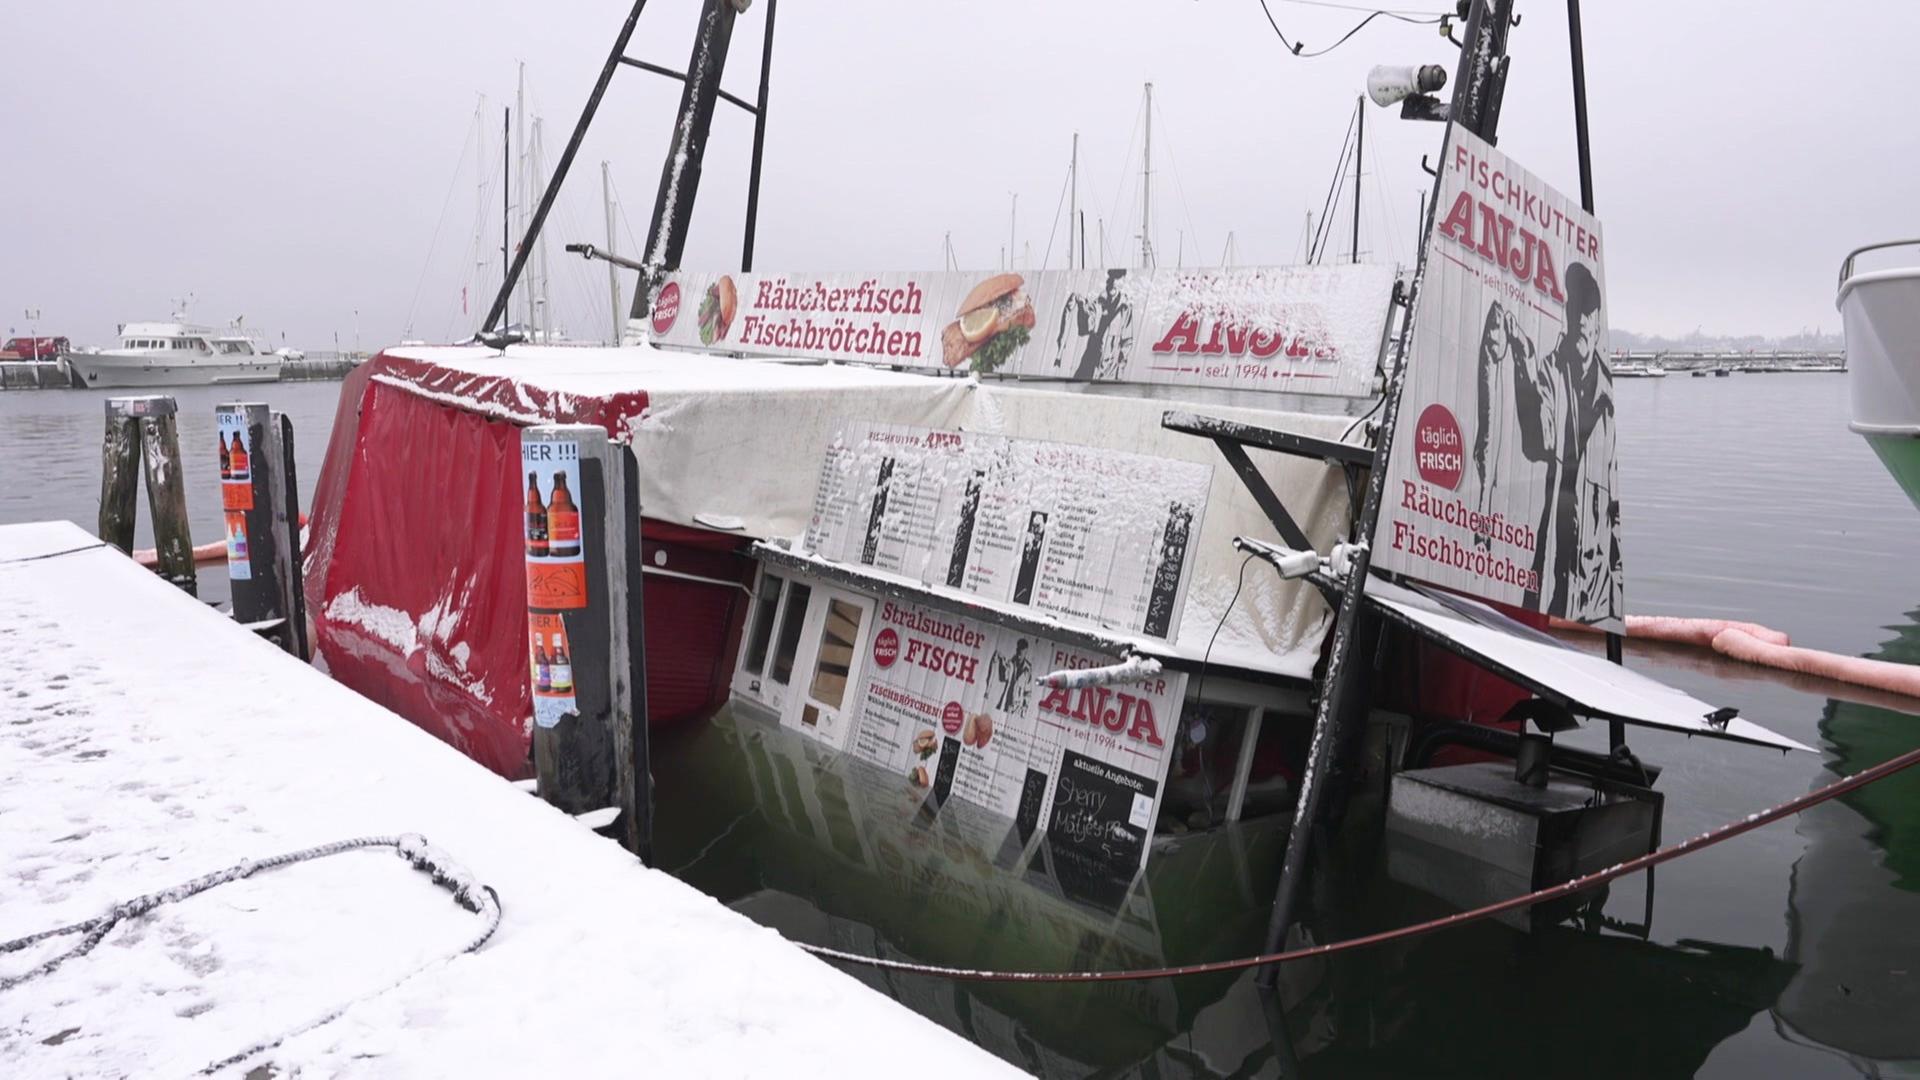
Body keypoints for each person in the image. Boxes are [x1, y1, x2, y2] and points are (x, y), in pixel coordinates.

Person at [1472, 261, 1620, 621]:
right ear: (1567, 315)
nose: (1581, 319)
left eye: (1588, 311)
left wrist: (1613, 596)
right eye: (1575, 309)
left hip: (1596, 596)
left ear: (1598, 323)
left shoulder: (1609, 402)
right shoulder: (1550, 372)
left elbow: (1613, 512)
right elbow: (1538, 441)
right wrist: (1523, 355)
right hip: (1553, 583)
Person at [1054, 269, 1135, 381]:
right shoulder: (1098, 303)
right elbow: (1085, 328)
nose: (1112, 283)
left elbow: (1127, 342)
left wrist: (1119, 372)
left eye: (1116, 279)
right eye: (1110, 280)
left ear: (1121, 281)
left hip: (1108, 372)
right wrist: (1082, 307)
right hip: (1088, 365)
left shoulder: (1125, 309)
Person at [984, 638, 1033, 717]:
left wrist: (1025, 708)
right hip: (1005, 703)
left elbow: (1028, 691)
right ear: (1017, 649)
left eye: (1022, 651)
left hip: (1017, 708)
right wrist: (1001, 661)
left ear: (1026, 652)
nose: (1020, 653)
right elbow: (1003, 677)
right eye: (1019, 650)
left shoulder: (1028, 670)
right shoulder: (1010, 664)